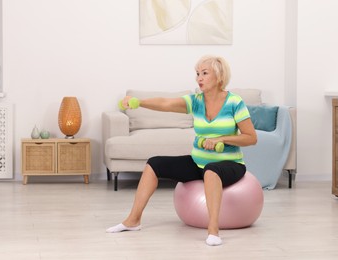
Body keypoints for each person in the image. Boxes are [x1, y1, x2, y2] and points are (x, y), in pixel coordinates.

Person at [106, 55, 257, 246]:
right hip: (198, 162)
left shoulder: (235, 102)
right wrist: (139, 102)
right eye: (197, 74)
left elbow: (251, 137)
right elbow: (165, 103)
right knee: (154, 164)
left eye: (204, 73)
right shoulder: (196, 101)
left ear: (219, 76)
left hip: (230, 164)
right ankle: (133, 220)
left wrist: (221, 139)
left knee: (211, 169)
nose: (199, 78)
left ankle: (213, 231)